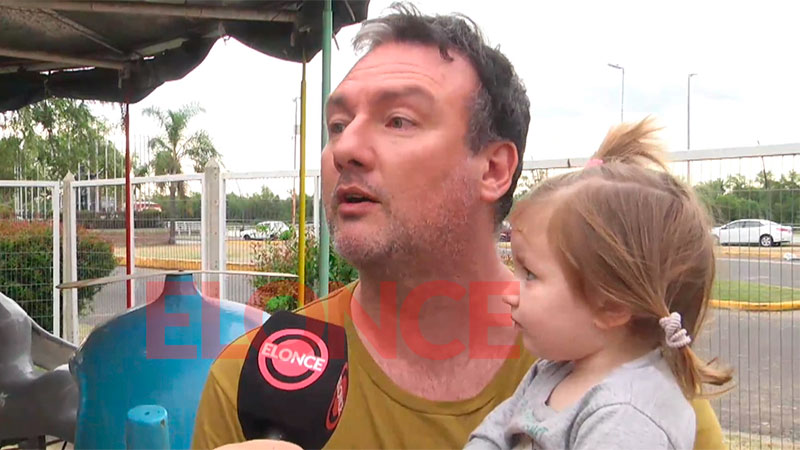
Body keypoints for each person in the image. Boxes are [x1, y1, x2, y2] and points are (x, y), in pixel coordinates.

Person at [191, 4, 726, 449]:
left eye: (398, 120)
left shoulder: (634, 397)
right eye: (338, 124)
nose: (344, 147)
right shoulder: (253, 382)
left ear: (493, 168)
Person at [464, 118, 733, 449]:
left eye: (530, 274)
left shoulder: (628, 417)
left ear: (610, 306)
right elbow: (493, 434)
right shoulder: (553, 371)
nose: (510, 291)